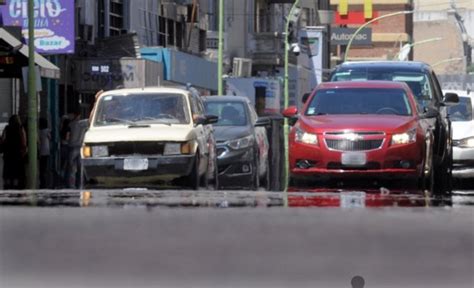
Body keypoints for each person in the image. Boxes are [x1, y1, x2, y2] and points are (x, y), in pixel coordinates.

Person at [1, 115, 27, 189]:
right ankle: (16, 187)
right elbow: (24, 141)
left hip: (8, 153)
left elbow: (2, 140)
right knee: (17, 172)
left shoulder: (7, 128)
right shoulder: (21, 128)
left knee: (8, 173)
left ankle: (8, 187)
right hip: (18, 154)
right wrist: (24, 152)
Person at [67, 109, 88, 188]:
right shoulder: (84, 124)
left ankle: (71, 185)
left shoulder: (70, 124)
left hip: (72, 147)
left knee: (71, 168)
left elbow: (67, 136)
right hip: (81, 147)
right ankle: (81, 184)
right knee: (81, 167)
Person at [39, 117, 51, 189]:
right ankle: (45, 181)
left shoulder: (39, 131)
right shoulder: (47, 131)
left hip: (41, 150)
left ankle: (42, 179)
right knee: (45, 165)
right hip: (47, 150)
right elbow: (50, 138)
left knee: (41, 167)